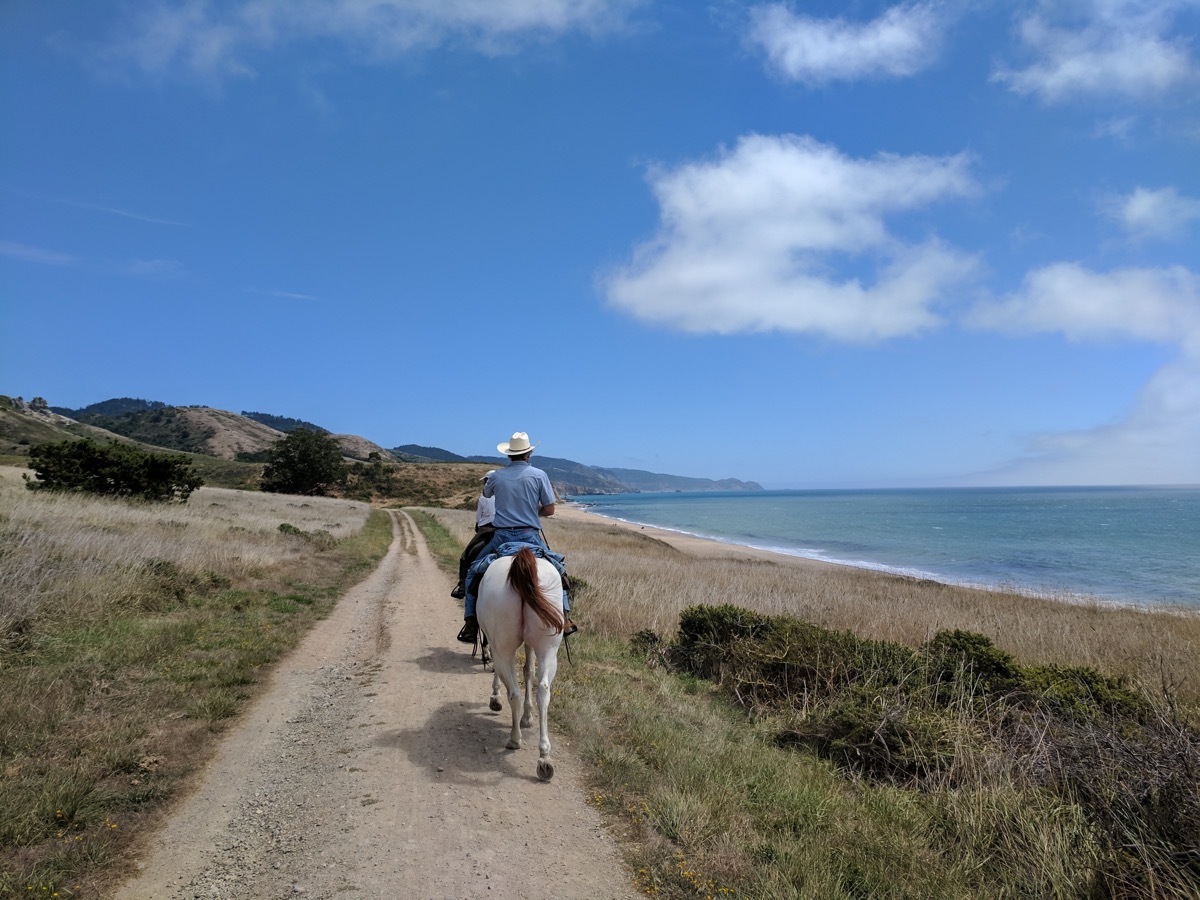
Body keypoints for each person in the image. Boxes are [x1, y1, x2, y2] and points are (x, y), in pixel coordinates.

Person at [457, 431, 576, 645]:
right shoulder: (539, 475)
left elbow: (486, 495)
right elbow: (549, 510)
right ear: (528, 453)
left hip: (501, 538)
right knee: (559, 573)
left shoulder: (496, 476)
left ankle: (471, 624)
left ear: (509, 455)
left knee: (473, 572)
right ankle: (565, 619)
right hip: (530, 536)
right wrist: (531, 509)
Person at [450, 471, 496, 600]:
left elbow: (478, 518)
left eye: (484, 480)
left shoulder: (483, 497)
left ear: (487, 481)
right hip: (504, 529)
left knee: (465, 557)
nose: (484, 482)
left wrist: (478, 526)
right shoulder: (504, 494)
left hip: (486, 529)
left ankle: (462, 587)